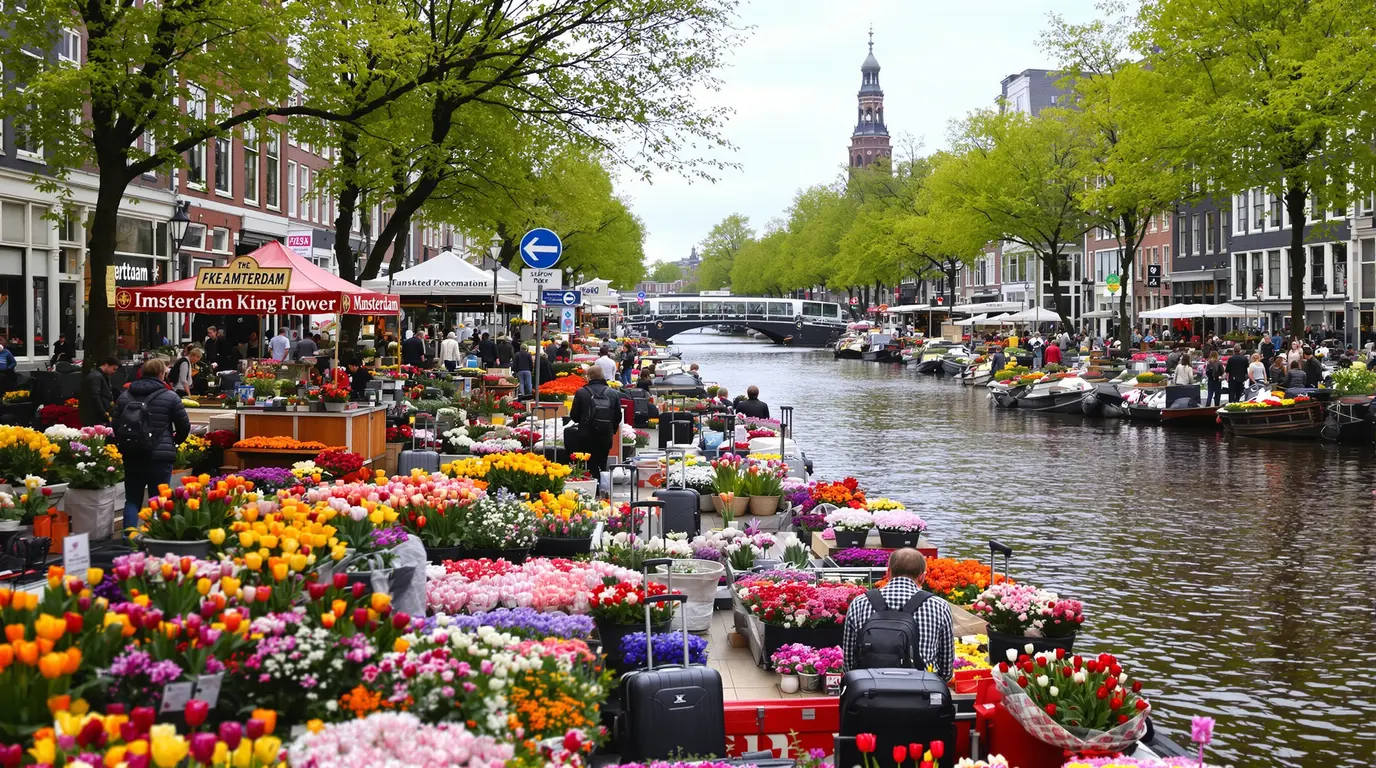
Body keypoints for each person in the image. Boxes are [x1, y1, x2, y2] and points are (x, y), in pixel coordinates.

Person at [841, 548, 953, 678]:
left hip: (870, 687)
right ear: (922, 577)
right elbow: (946, 670)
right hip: (921, 687)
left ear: (888, 572)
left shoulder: (859, 603)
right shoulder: (939, 606)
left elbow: (848, 663)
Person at [113, 359, 190, 533]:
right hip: (160, 456)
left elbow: (116, 425)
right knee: (159, 499)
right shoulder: (170, 397)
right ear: (161, 374)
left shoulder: (125, 396)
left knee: (132, 499)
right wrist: (174, 442)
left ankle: (128, 537)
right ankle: (156, 536)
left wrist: (127, 443)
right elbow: (184, 426)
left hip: (133, 455)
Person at [569, 367, 621, 481]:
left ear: (589, 377)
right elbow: (618, 417)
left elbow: (574, 416)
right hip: (605, 435)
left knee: (589, 464)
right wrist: (611, 430)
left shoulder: (581, 392)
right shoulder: (613, 393)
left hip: (586, 435)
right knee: (602, 462)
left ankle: (592, 485)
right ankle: (602, 484)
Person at [81, 356, 120, 426]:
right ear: (106, 365)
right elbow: (95, 397)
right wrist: (104, 413)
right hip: (95, 416)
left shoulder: (100, 376)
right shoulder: (96, 377)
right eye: (114, 369)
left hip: (97, 415)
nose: (114, 372)